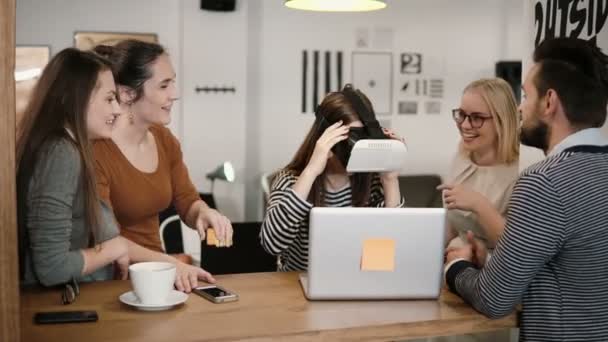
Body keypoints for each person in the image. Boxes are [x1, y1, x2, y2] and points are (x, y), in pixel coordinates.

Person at [445, 37, 608, 341]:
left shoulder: (543, 182)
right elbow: (569, 271)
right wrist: (492, 262)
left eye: (525, 96)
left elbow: (493, 299)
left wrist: (456, 267)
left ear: (549, 102)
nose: (519, 108)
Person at [17, 48, 215, 292]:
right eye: (109, 99)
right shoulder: (62, 153)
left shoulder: (70, 148)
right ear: (76, 98)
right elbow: (51, 267)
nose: (116, 109)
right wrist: (117, 249)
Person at [93, 40, 233, 265]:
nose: (175, 94)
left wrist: (204, 212)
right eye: (164, 85)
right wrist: (172, 265)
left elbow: (187, 200)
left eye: (173, 83)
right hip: (112, 278)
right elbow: (107, 238)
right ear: (128, 93)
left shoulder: (165, 140)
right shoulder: (98, 150)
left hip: (157, 272)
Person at [260, 84, 405, 271]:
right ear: (326, 137)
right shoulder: (291, 181)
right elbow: (272, 244)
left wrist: (390, 180)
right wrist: (311, 171)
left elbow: (392, 247)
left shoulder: (373, 182)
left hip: (356, 282)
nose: (357, 149)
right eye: (351, 138)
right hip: (298, 285)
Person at [439, 78, 519, 250]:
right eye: (461, 115)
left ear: (501, 121)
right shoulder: (461, 157)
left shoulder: (523, 174)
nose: (465, 125)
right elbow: (451, 227)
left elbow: (517, 251)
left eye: (477, 118)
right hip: (455, 265)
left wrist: (479, 205)